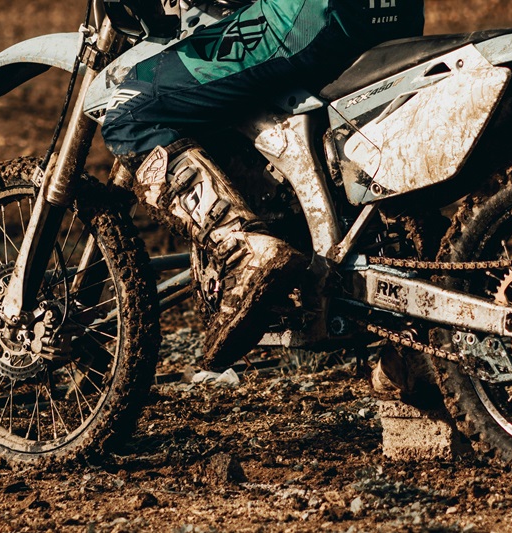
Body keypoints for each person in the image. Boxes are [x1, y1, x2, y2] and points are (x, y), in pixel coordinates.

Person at [101, 0, 426, 369]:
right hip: (393, 14)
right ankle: (412, 352)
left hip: (309, 18)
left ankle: (243, 252)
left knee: (131, 111)